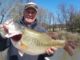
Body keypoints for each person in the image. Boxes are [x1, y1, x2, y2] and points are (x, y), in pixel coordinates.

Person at [0, 2, 77, 60]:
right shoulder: (13, 31)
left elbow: (47, 54)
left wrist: (49, 53)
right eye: (28, 11)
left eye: (33, 12)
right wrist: (2, 34)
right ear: (23, 13)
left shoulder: (42, 30)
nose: (30, 14)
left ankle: (64, 44)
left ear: (36, 14)